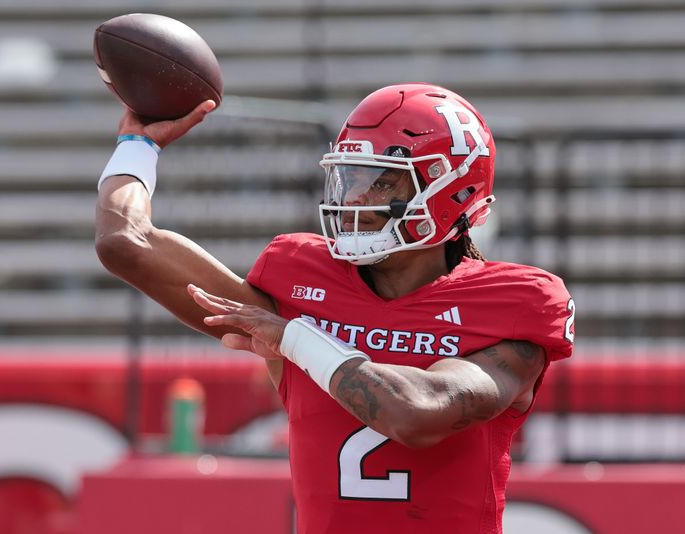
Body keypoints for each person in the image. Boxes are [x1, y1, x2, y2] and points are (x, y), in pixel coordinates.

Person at [95, 83, 575, 533]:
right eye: (351, 179)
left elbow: (416, 414)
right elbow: (125, 241)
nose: (358, 199)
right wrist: (138, 146)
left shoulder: (512, 300)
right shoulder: (299, 280)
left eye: (384, 183)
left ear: (452, 190)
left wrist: (296, 339)